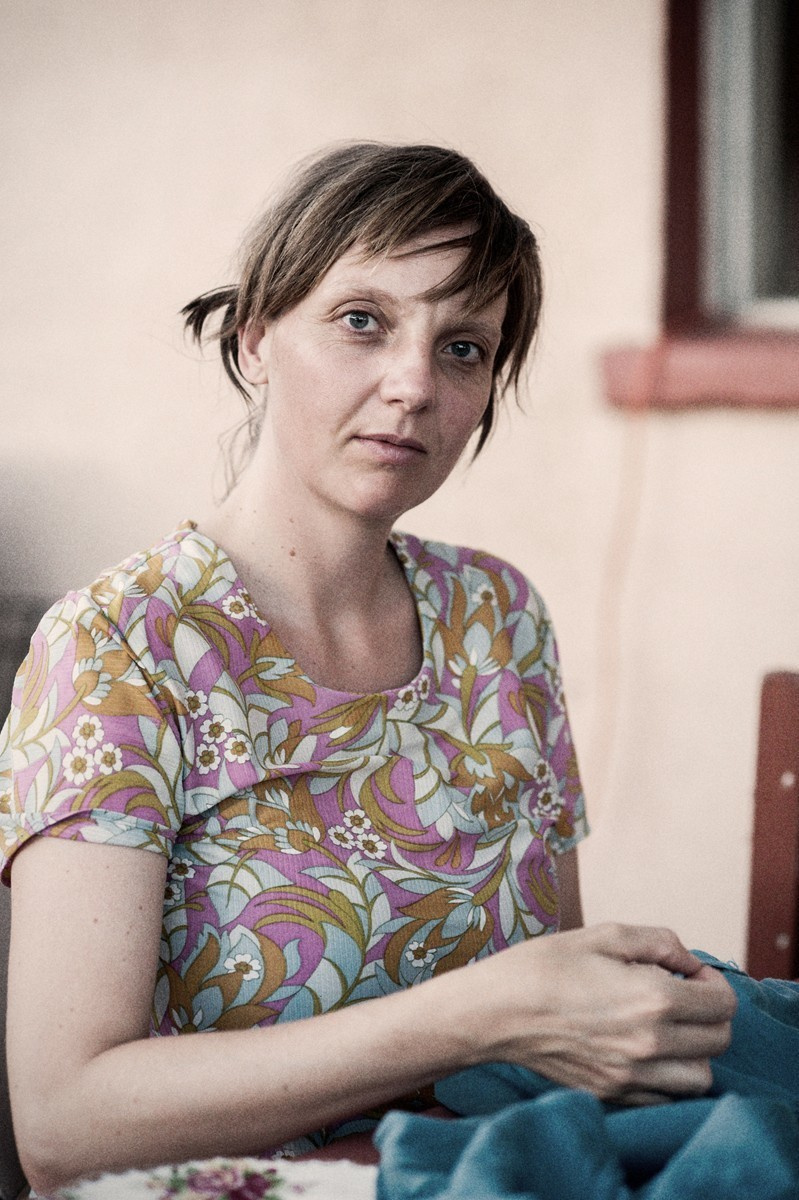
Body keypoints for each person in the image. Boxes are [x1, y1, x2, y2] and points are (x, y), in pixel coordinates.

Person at [0, 142, 736, 1195]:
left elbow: (555, 1017)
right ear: (256, 337)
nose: (413, 385)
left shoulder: (499, 619)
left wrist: (641, 1017)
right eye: (363, 322)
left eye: (465, 347)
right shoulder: (123, 649)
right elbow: (63, 1126)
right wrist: (473, 1017)